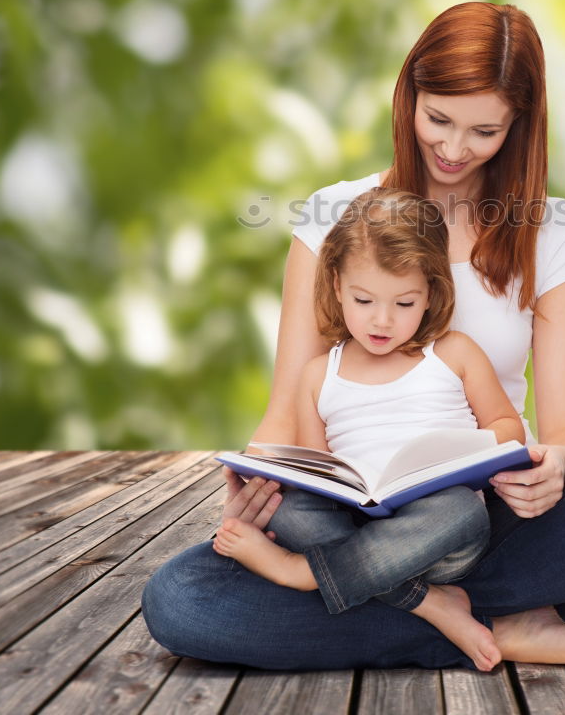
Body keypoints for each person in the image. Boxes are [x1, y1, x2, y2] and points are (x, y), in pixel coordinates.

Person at [142, 1, 565, 673]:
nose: (451, 148)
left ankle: (398, 606)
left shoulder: (551, 230)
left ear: (519, 127)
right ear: (408, 94)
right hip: (346, 515)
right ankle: (488, 618)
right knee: (178, 598)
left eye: (483, 131)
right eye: (438, 118)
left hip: (484, 511)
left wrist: (551, 471)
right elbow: (287, 419)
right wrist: (256, 486)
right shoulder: (332, 216)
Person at [214, 186, 526, 671]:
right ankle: (427, 602)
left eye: (404, 304)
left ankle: (300, 574)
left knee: (463, 510)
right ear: (337, 286)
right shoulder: (319, 374)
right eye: (364, 300)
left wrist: (466, 452)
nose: (382, 321)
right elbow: (317, 474)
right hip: (356, 529)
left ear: (431, 295)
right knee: (289, 508)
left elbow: (508, 427)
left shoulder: (454, 353)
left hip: (438, 535)